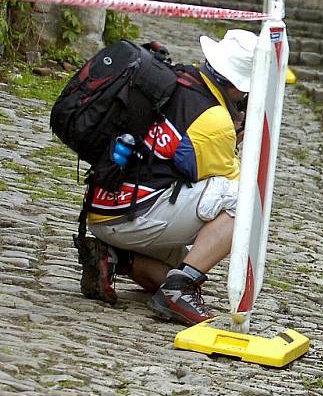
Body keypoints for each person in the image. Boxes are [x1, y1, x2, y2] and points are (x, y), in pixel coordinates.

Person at [76, 29, 256, 325]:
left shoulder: (180, 78)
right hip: (131, 215)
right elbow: (229, 183)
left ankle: (114, 258)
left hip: (104, 206)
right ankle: (179, 290)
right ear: (239, 86)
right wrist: (236, 141)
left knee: (175, 265)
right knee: (244, 203)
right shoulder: (216, 121)